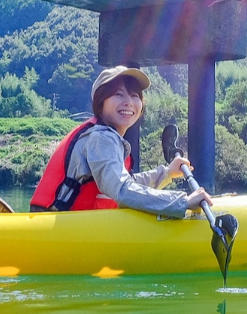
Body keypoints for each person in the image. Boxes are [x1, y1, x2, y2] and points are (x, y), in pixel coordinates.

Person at [30, 66, 212, 217]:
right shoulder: (101, 137)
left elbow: (127, 182)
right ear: (100, 104)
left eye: (135, 96)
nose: (128, 102)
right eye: (118, 94)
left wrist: (167, 173)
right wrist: (183, 202)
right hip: (60, 228)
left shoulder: (104, 136)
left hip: (71, 225)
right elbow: (123, 190)